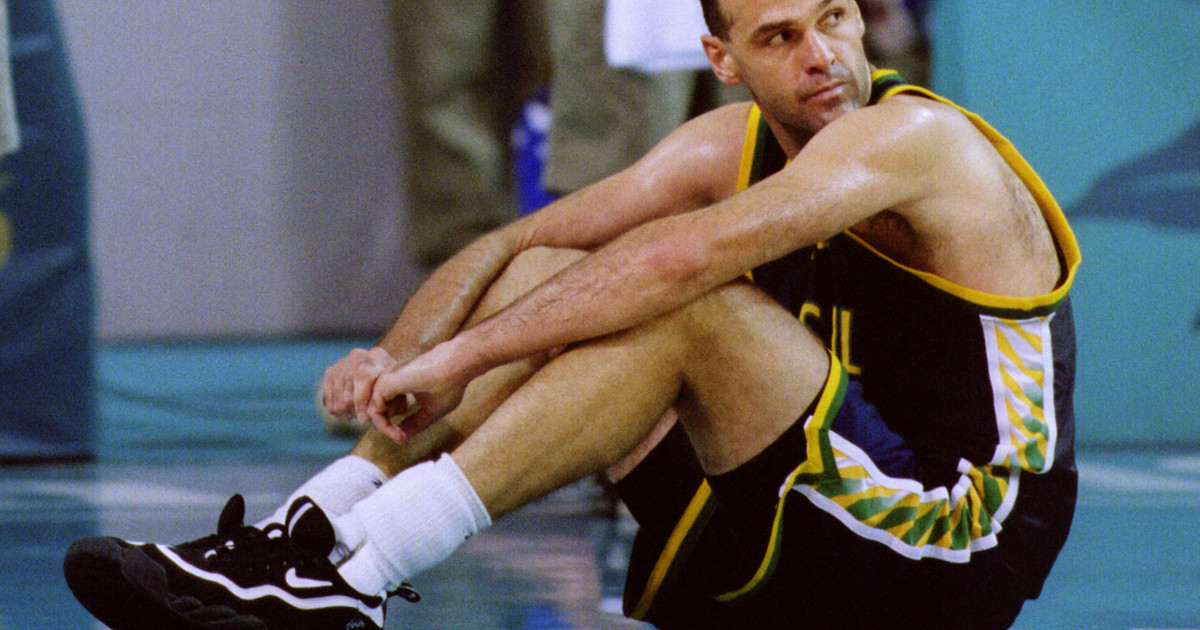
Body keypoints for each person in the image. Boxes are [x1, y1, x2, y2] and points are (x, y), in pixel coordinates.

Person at [63, 0, 1081, 628]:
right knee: (557, 262)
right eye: (780, 36)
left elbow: (682, 259)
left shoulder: (911, 139)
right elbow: (511, 248)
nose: (822, 54)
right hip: (808, 525)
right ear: (723, 60)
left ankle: (362, 576)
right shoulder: (726, 143)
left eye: (836, 19)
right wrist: (396, 357)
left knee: (691, 308)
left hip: (956, 549)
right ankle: (310, 532)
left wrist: (460, 358)